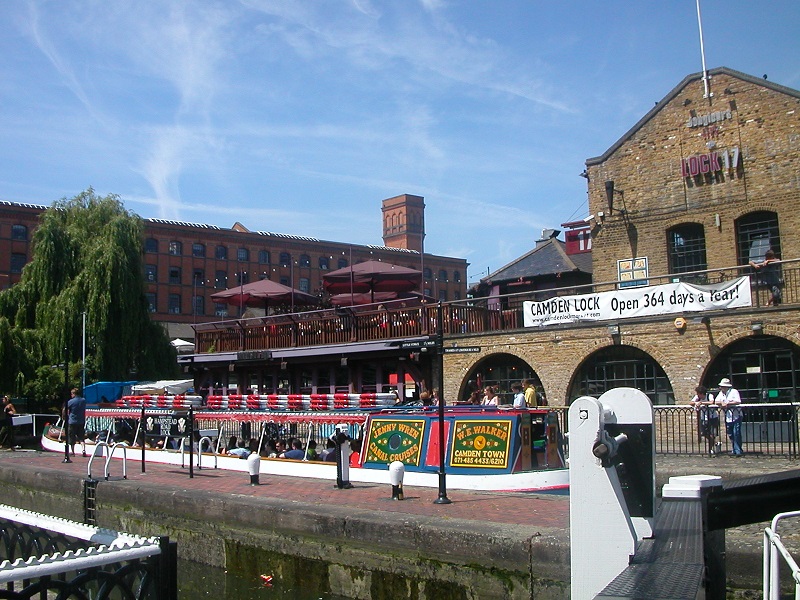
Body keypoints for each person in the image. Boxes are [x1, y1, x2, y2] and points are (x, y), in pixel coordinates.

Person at [715, 378, 743, 456]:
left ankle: (738, 451)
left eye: (722, 386)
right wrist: (722, 402)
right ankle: (735, 449)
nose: (721, 388)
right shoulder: (721, 393)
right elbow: (716, 401)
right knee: (730, 433)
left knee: (736, 433)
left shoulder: (734, 392)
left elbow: (738, 401)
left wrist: (728, 403)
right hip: (728, 416)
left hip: (736, 415)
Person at [691, 385, 720, 455]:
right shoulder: (697, 397)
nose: (697, 395)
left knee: (712, 434)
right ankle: (715, 443)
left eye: (698, 393)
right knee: (704, 433)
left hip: (713, 417)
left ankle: (710, 449)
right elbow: (691, 402)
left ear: (701, 393)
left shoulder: (709, 395)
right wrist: (696, 403)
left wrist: (702, 403)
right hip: (704, 417)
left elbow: (712, 402)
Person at [66, 388, 87, 457]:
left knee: (72, 437)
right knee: (81, 437)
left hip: (72, 421)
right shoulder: (83, 401)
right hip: (81, 421)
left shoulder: (71, 402)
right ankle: (83, 450)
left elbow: (65, 409)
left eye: (71, 394)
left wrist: (64, 416)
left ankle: (72, 452)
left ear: (74, 394)